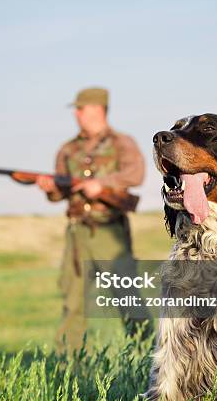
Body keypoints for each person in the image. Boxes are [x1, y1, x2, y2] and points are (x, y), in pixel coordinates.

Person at [37, 87, 150, 352]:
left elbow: (136, 174)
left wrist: (102, 184)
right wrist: (50, 188)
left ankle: (149, 359)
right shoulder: (68, 148)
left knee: (128, 300)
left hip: (110, 233)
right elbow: (59, 192)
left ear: (98, 109)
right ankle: (68, 368)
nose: (76, 113)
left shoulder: (122, 142)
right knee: (73, 302)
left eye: (81, 108)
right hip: (78, 234)